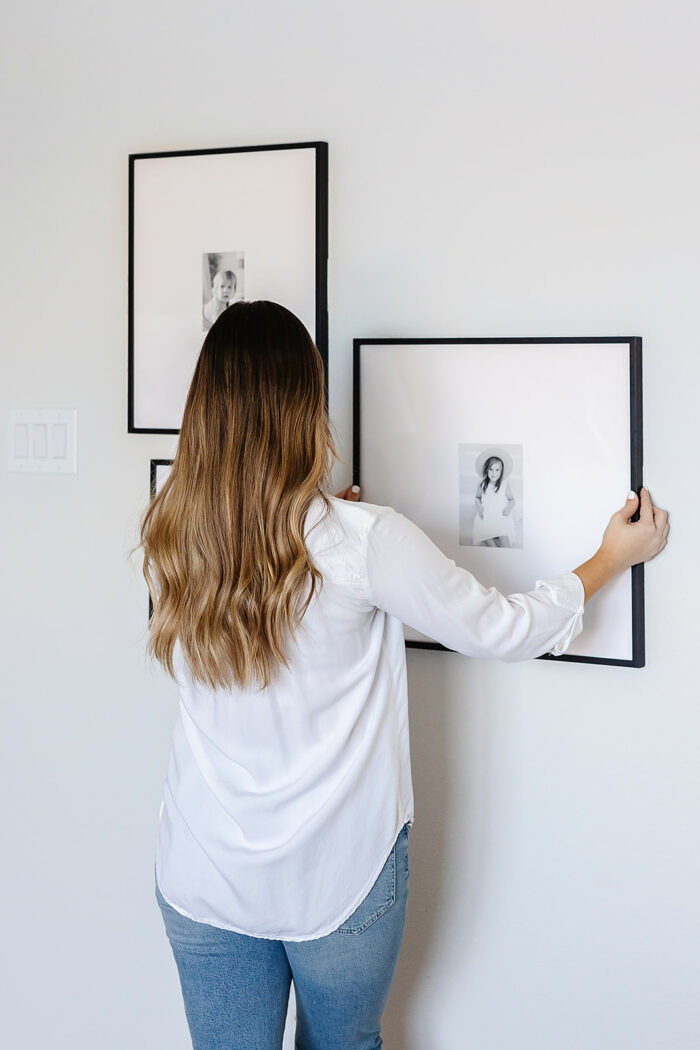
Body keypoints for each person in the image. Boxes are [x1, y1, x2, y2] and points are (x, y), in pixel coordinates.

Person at [135, 300, 669, 1050]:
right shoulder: (366, 542)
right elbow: (502, 628)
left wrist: (334, 537)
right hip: (339, 877)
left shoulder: (169, 531)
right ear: (302, 407)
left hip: (205, 872)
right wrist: (610, 561)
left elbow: (270, 602)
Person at [472, 448, 517, 547]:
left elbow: (512, 500)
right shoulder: (482, 484)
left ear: (501, 471)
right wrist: (480, 508)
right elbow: (477, 497)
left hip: (500, 517)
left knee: (506, 546)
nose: (494, 473)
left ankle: (498, 539)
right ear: (486, 470)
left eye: (497, 470)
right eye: (491, 469)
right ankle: (492, 540)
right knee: (490, 543)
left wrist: (508, 508)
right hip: (486, 517)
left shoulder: (504, 484)